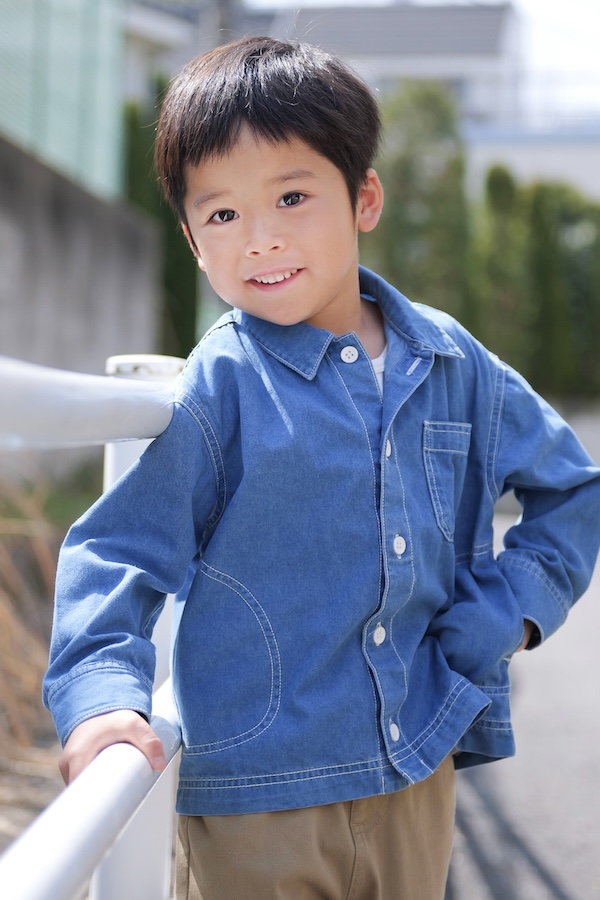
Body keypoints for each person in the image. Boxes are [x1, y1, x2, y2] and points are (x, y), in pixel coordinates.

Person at [43, 36, 600, 900]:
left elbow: (571, 489)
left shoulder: (452, 361)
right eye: (221, 216)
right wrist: (104, 699)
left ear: (363, 198)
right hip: (259, 799)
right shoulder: (223, 383)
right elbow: (119, 548)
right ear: (192, 241)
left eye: (292, 197)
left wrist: (506, 615)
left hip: (417, 767)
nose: (260, 239)